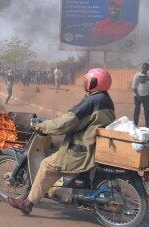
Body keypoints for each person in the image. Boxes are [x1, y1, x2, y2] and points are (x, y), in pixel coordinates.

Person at [8, 68, 115, 215]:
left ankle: (28, 203)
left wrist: (43, 126)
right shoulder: (106, 100)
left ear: (94, 83)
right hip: (93, 145)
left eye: (87, 81)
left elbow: (66, 123)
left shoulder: (93, 101)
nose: (84, 84)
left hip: (81, 149)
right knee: (57, 151)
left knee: (47, 165)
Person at [132, 63, 149, 128]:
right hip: (137, 96)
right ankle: (135, 124)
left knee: (147, 111)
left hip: (146, 96)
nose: (145, 70)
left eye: (147, 68)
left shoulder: (148, 75)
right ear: (142, 68)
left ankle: (148, 126)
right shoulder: (137, 75)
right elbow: (133, 87)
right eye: (144, 68)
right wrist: (138, 95)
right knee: (137, 110)